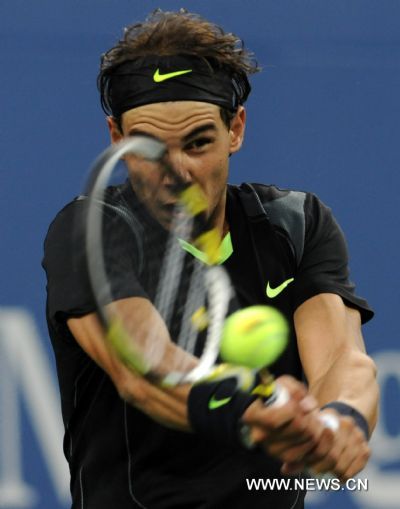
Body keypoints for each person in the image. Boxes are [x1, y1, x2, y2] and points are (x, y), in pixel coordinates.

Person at [42, 9, 379, 509]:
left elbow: (340, 357)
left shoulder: (295, 223)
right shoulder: (90, 228)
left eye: (198, 143)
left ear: (236, 130)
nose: (175, 173)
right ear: (117, 139)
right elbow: (143, 367)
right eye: (148, 148)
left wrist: (340, 421)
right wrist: (248, 414)